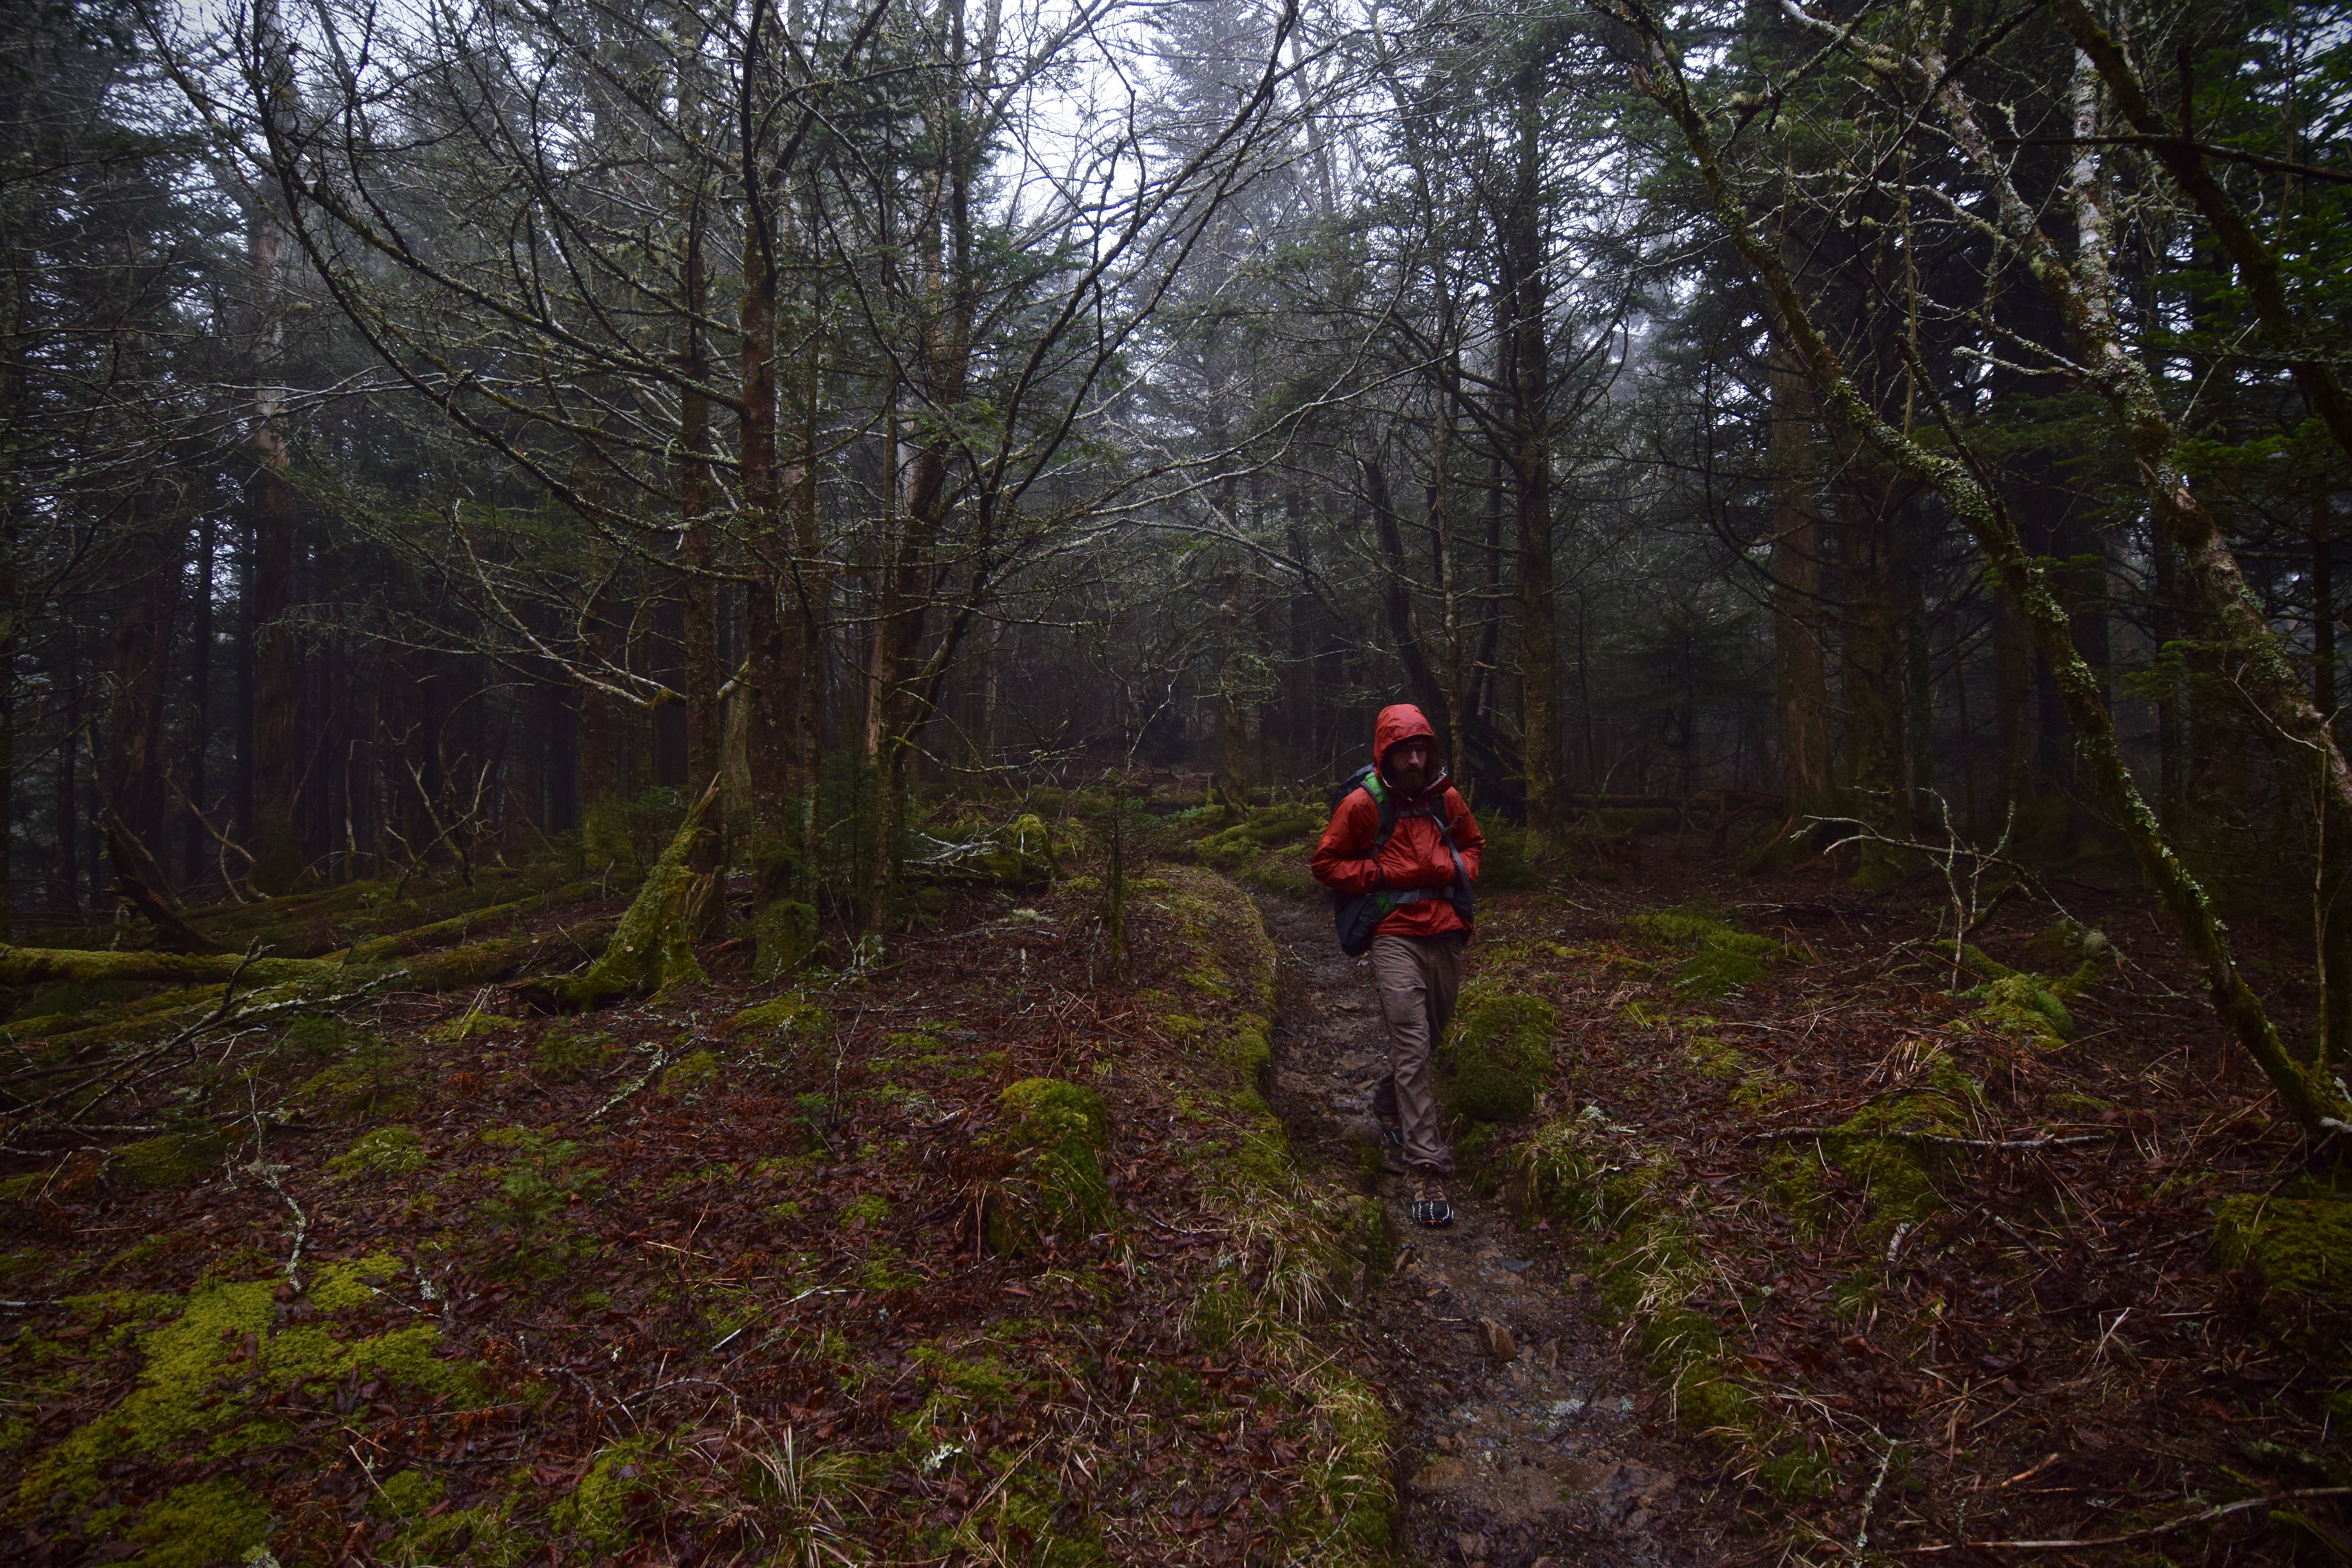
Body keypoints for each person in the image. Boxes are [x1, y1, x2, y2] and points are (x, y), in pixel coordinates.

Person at [1310, 704, 1484, 1226]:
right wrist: (1382, 875)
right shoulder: (1363, 805)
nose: (1415, 760)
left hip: (1446, 931)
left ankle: (1388, 1101)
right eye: (1405, 751)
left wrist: (1455, 867)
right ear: (1385, 754)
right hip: (1394, 934)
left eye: (1422, 750)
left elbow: (1474, 844)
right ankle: (1426, 1167)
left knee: (1432, 1037)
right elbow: (1326, 863)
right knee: (1410, 1040)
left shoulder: (1447, 799)